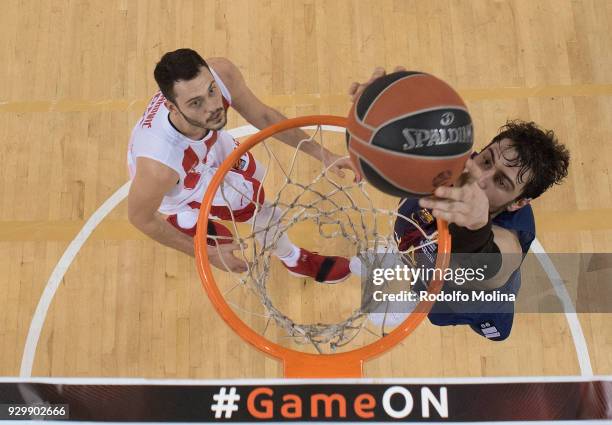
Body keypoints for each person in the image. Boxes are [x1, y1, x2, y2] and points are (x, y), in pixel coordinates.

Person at [349, 68, 570, 340]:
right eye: (487, 160)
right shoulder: (457, 162)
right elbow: (412, 134)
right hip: (424, 248)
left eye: (502, 182)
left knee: (434, 297)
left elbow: (490, 269)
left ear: (518, 202)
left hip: (461, 298)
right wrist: (382, 111)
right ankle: (401, 258)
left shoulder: (507, 241)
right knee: (419, 246)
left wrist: (477, 227)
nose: (483, 179)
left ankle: (411, 304)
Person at [127, 48, 356, 282]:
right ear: (172, 108)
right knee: (255, 203)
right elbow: (140, 218)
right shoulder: (159, 167)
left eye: (211, 91)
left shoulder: (221, 75)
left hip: (207, 144)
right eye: (196, 103)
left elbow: (265, 117)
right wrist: (204, 252)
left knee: (254, 172)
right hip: (184, 181)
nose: (212, 107)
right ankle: (293, 259)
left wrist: (323, 154)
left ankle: (189, 219)